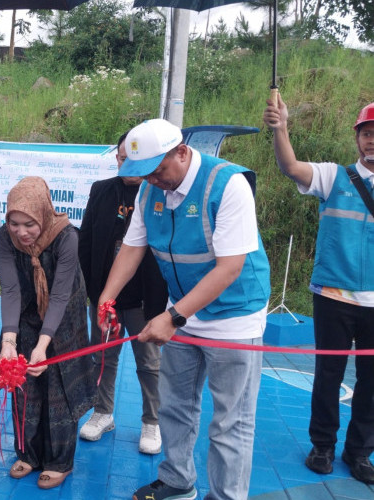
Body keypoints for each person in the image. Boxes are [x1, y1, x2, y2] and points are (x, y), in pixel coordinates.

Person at [98, 119, 270, 500]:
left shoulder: (228, 185)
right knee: (175, 405)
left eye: (159, 170)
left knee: (230, 421)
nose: (153, 180)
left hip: (234, 318)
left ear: (181, 152)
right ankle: (177, 480)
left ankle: (226, 496)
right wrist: (107, 296)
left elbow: (230, 268)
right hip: (182, 312)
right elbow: (132, 247)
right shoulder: (149, 191)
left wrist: (173, 317)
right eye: (145, 174)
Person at [263, 97, 374, 485]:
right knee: (329, 375)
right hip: (333, 296)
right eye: (366, 133)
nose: (371, 140)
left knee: (372, 382)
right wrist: (281, 128)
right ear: (357, 138)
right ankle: (322, 446)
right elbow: (291, 167)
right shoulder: (334, 176)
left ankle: (359, 453)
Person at [0, 176, 96, 490]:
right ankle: (28, 454)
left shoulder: (66, 236)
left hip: (65, 318)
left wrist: (43, 345)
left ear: (43, 214)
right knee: (24, 385)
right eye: (14, 223)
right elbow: (10, 291)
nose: (21, 232)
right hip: (25, 313)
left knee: (59, 388)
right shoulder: (4, 238)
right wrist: (9, 341)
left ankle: (59, 461)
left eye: (29, 224)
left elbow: (61, 296)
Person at [78, 131, 167, 454]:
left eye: (133, 160)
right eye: (121, 158)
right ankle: (103, 412)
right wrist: (94, 292)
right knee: (102, 358)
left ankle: (152, 421)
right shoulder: (101, 190)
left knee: (149, 364)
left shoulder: (158, 193)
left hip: (145, 299)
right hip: (106, 298)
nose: (126, 165)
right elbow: (86, 241)